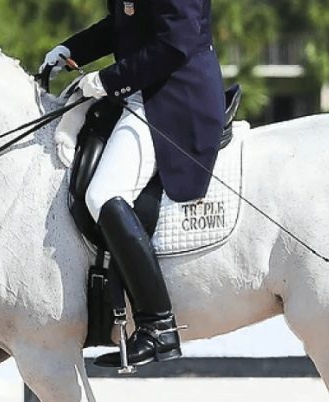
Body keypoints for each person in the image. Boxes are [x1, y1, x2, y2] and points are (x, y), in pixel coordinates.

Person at [41, 0, 225, 368]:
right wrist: (73, 49)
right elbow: (125, 25)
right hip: (138, 91)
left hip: (172, 98)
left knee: (103, 194)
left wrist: (108, 80)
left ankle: (158, 326)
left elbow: (176, 42)